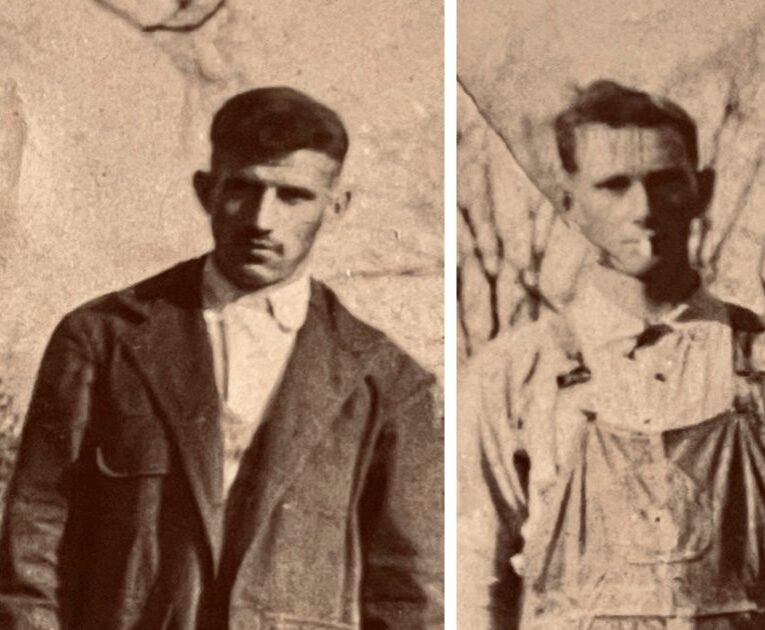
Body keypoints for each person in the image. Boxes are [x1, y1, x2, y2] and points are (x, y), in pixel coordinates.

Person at [0, 86, 443, 629]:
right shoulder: (103, 338)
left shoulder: (387, 381)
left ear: (338, 205)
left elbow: (409, 594)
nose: (262, 219)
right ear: (206, 191)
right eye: (243, 188)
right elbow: (33, 545)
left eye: (294, 196)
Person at [457, 79, 765, 629]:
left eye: (665, 183)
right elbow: (474, 586)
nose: (643, 209)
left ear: (701, 190)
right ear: (569, 203)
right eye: (613, 186)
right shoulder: (517, 372)